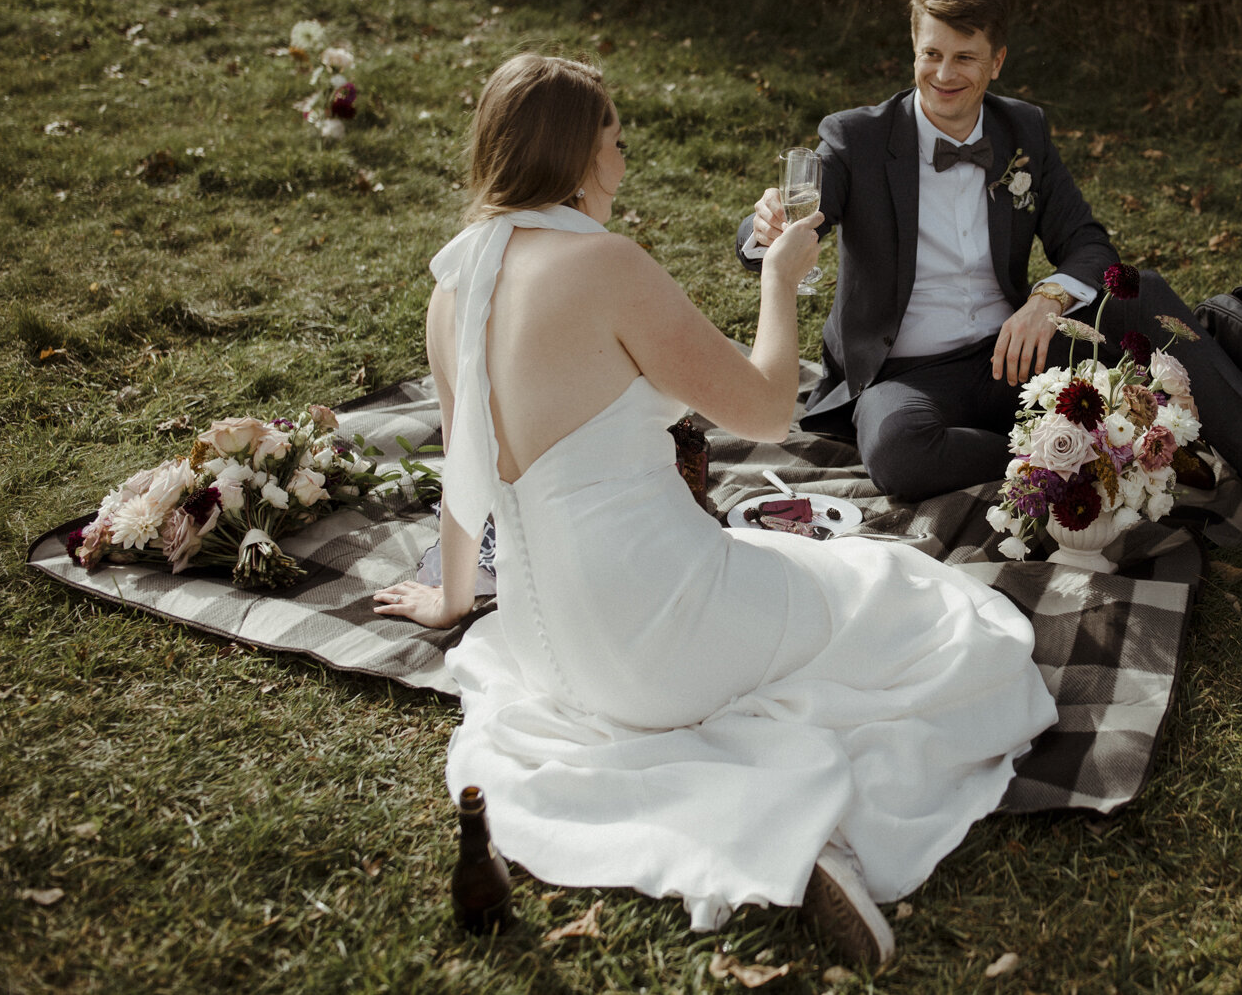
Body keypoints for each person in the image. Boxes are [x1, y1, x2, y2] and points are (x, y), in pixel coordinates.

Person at [374, 54, 1056, 967]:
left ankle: (756, 810)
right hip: (664, 625)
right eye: (616, 142)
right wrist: (781, 279)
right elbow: (771, 411)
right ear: (580, 158)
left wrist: (455, 600)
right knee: (910, 595)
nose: (623, 161)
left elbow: (466, 479)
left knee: (820, 589)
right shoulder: (604, 264)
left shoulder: (449, 287)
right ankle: (796, 827)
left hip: (543, 645)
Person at [737, 0, 1242, 562]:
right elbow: (781, 225)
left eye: (964, 58)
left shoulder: (1023, 132)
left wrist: (1044, 301)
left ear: (998, 60)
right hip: (908, 378)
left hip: (1016, 354)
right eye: (930, 54)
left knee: (1141, 291)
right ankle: (1095, 453)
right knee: (895, 453)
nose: (943, 75)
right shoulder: (856, 138)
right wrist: (762, 231)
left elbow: (1089, 244)